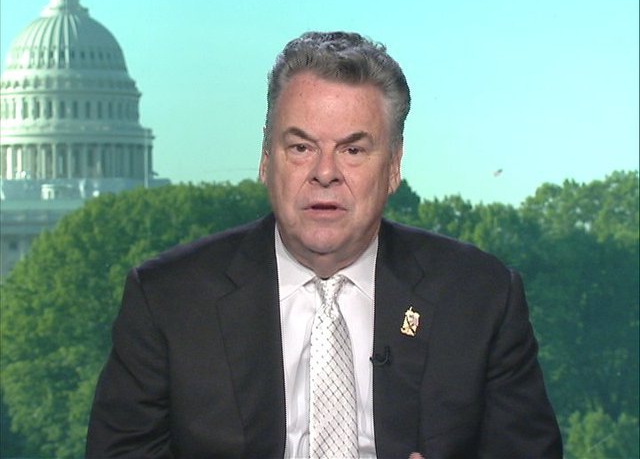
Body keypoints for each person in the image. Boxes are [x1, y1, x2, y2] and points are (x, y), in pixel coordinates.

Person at [86, 31, 562, 458]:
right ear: (265, 158)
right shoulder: (167, 299)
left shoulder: (480, 298)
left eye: (353, 150)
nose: (325, 173)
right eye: (301, 147)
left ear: (393, 166)